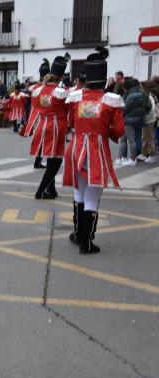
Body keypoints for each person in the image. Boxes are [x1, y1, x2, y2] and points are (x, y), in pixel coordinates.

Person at [63, 47, 125, 254]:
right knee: (92, 196)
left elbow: (70, 121)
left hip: (76, 147)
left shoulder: (76, 97)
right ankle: (86, 242)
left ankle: (77, 233)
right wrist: (105, 132)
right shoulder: (111, 100)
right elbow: (118, 129)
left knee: (79, 192)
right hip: (96, 150)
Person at [30, 54, 70, 199]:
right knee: (56, 161)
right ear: (60, 77)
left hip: (43, 125)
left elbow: (35, 106)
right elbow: (67, 109)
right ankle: (40, 191)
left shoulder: (38, 90)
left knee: (51, 159)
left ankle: (51, 190)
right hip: (56, 127)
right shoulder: (60, 93)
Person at [22, 59, 50, 169]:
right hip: (44, 116)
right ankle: (39, 160)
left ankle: (38, 160)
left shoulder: (34, 87)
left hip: (34, 116)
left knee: (40, 138)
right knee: (45, 139)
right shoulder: (46, 88)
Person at [118, 77, 146, 166]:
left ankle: (132, 159)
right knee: (132, 139)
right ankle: (127, 157)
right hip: (139, 119)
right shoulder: (140, 93)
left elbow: (125, 108)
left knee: (130, 140)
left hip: (129, 120)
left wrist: (119, 106)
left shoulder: (131, 95)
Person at [139, 81, 156, 163]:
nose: (139, 88)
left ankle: (152, 155)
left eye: (140, 86)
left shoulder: (149, 97)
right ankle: (144, 153)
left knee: (149, 138)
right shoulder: (145, 96)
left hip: (149, 120)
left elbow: (151, 110)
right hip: (146, 120)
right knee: (144, 137)